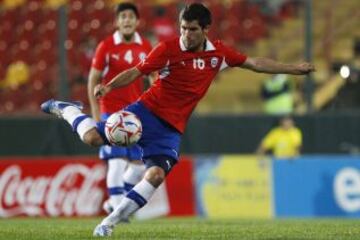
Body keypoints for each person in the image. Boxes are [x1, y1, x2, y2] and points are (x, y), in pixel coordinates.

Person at [40, 3, 314, 236]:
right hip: (144, 113)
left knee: (156, 174)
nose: (186, 34)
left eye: (192, 29)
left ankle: (108, 223)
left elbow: (255, 63)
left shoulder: (218, 54)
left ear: (205, 29)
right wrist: (110, 86)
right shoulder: (167, 49)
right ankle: (68, 109)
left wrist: (293, 69)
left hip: (170, 129)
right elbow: (138, 71)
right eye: (183, 27)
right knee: (92, 138)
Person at [87, 3, 155, 214]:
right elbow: (93, 81)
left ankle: (111, 203)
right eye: (123, 16)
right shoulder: (106, 46)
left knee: (138, 165)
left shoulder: (145, 46)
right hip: (111, 112)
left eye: (130, 16)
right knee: (116, 160)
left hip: (135, 115)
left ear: (137, 21)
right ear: (117, 22)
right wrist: (97, 115)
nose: (127, 20)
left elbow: (153, 75)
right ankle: (117, 209)